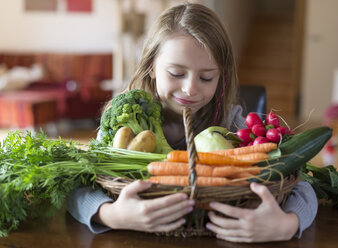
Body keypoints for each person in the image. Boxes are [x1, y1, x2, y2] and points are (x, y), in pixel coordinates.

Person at [67, 2, 317, 243]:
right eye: (176, 74)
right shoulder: (127, 128)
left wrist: (287, 225)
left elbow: (302, 186)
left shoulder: (232, 124)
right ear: (151, 67)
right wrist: (111, 215)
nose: (189, 89)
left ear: (222, 76)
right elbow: (77, 185)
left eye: (206, 77)